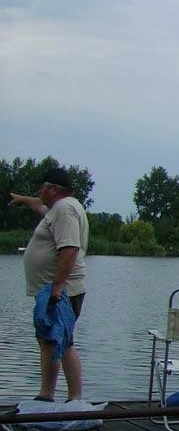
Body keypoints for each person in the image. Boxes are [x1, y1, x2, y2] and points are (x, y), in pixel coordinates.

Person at [9, 167, 90, 402]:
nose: (38, 191)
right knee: (48, 340)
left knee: (63, 341)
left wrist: (56, 287)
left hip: (61, 290)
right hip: (53, 289)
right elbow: (39, 205)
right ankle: (46, 395)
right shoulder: (59, 208)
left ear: (53, 188)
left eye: (41, 187)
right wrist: (23, 200)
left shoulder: (64, 210)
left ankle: (75, 398)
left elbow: (69, 249)